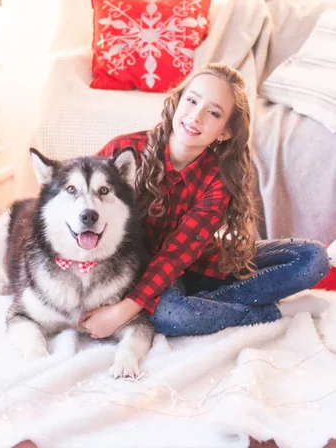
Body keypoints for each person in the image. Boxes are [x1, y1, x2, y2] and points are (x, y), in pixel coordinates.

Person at [80, 63, 330, 339]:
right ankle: (268, 312)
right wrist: (126, 305)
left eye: (213, 112)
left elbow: (176, 254)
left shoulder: (218, 180)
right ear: (178, 101)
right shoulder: (124, 151)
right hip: (141, 275)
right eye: (191, 100)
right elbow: (80, 204)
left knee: (313, 258)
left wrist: (121, 313)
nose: (196, 116)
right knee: (171, 316)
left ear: (225, 132)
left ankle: (209, 302)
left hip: (195, 263)